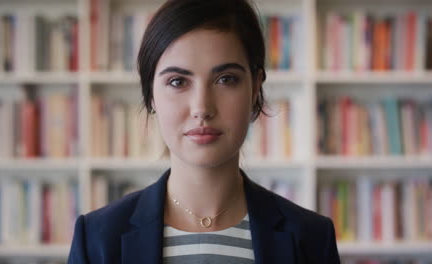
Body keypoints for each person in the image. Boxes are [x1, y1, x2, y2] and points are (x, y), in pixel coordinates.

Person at [68, 0, 340, 263]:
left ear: (256, 87)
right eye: (177, 81)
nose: (202, 108)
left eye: (226, 79)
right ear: (151, 94)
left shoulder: (312, 238)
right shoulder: (96, 239)